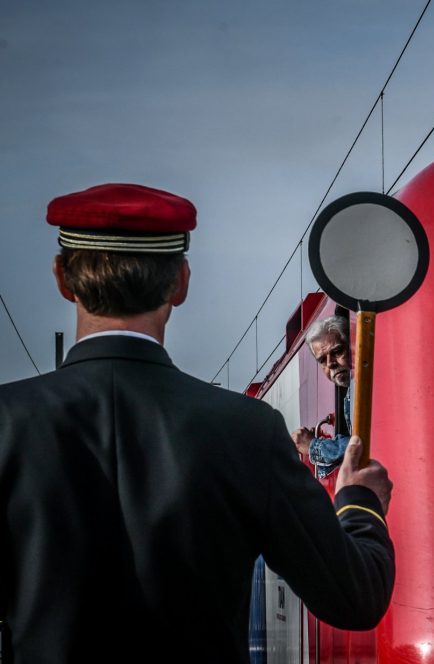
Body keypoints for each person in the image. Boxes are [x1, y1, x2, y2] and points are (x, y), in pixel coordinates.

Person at [0, 183, 395, 663]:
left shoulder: (9, 423)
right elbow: (354, 598)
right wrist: (359, 501)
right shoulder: (247, 429)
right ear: (181, 283)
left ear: (63, 278)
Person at [291, 316, 353, 479]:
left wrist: (313, 445)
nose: (330, 363)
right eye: (322, 360)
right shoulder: (349, 394)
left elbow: (365, 447)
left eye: (337, 351)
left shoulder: (363, 387)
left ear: (353, 346)